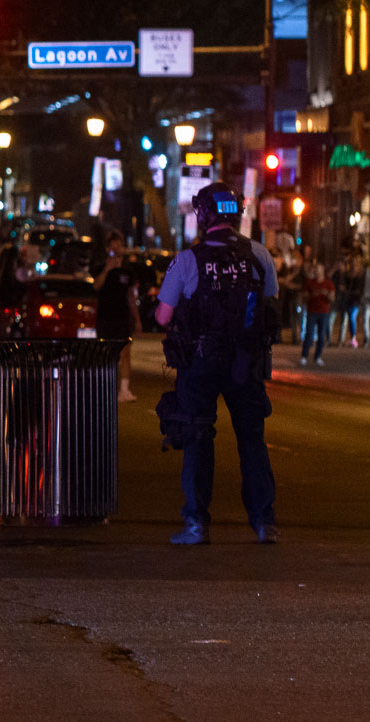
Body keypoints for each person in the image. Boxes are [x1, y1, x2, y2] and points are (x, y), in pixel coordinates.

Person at [155, 181, 280, 546]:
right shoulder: (260, 255)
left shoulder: (188, 260)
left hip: (200, 363)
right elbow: (271, 306)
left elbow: (163, 316)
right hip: (247, 362)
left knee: (197, 439)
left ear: (204, 214)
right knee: (252, 442)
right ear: (237, 213)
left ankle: (196, 524)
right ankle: (264, 523)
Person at [93, 229, 140, 402]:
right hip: (105, 317)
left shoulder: (128, 271)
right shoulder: (100, 267)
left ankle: (124, 390)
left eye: (119, 246)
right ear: (107, 249)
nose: (116, 249)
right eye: (113, 247)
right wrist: (107, 268)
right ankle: (105, 388)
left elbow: (131, 296)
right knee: (106, 354)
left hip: (123, 317)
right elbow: (96, 287)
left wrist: (137, 319)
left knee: (125, 353)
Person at [299, 261, 334, 366]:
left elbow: (332, 298)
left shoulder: (328, 284)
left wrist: (326, 294)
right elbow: (304, 297)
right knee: (309, 335)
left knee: (321, 335)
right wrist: (312, 295)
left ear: (323, 271)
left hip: (324, 312)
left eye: (319, 269)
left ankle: (318, 356)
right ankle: (304, 356)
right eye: (315, 269)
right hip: (312, 312)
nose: (317, 271)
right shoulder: (309, 282)